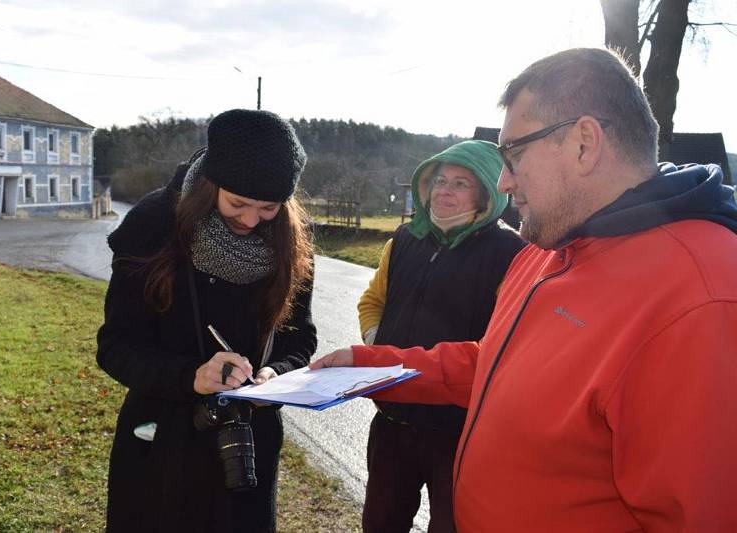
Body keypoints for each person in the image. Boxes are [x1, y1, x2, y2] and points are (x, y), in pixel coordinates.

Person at [312, 48, 737, 532]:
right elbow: (493, 362)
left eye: (512, 154)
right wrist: (368, 363)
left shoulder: (704, 299)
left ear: (584, 143)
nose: (504, 182)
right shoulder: (550, 247)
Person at [96, 109, 317, 532]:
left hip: (246, 449)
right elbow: (115, 347)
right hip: (161, 445)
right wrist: (191, 376)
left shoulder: (291, 242)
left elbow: (299, 338)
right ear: (211, 184)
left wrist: (276, 374)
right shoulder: (153, 226)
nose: (252, 220)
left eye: (268, 208)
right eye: (238, 204)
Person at [357, 140, 524, 532]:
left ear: (486, 191)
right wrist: (379, 346)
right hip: (393, 419)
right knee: (380, 523)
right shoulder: (404, 240)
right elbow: (371, 300)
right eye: (439, 181)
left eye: (460, 183)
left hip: (460, 430)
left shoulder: (511, 253)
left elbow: (507, 344)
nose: (444, 191)